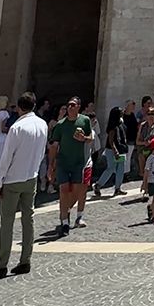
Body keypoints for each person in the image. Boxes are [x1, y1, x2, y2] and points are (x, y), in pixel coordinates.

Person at [0, 91, 48, 279]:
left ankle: (2, 265)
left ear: (20, 107)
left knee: (7, 223)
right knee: (28, 219)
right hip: (31, 177)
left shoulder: (17, 127)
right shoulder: (42, 124)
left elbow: (6, 158)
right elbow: (41, 152)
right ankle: (25, 260)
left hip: (13, 179)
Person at [47, 97, 93, 236]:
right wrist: (51, 165)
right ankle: (65, 222)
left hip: (78, 162)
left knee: (77, 191)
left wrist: (83, 139)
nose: (70, 107)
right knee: (64, 189)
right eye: (68, 105)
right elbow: (54, 146)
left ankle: (67, 211)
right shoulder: (60, 125)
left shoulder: (84, 121)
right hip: (63, 162)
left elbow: (90, 138)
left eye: (73, 105)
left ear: (79, 106)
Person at [93, 106, 129, 198]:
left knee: (120, 168)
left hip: (121, 149)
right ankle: (98, 185)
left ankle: (118, 188)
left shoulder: (121, 123)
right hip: (112, 150)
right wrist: (115, 151)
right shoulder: (113, 126)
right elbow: (111, 140)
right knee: (111, 168)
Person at [136, 102, 154, 195]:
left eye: (152, 114)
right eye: (149, 114)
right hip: (145, 149)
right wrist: (145, 143)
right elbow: (137, 141)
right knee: (145, 167)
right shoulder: (142, 125)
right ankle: (145, 186)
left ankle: (150, 187)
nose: (151, 116)